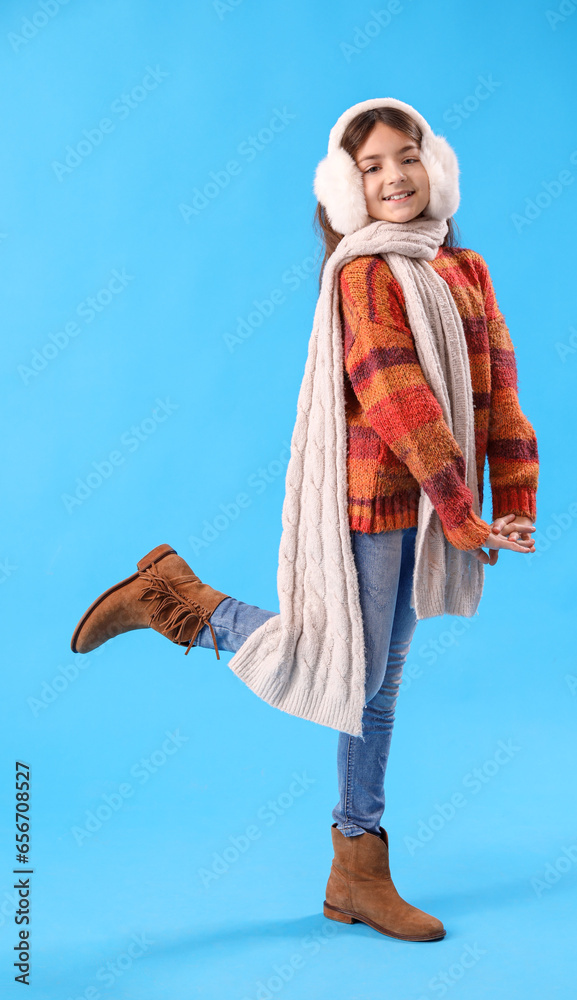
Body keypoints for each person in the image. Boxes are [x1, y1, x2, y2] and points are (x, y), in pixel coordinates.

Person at [69, 98, 539, 944]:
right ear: (347, 187)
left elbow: (497, 388)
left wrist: (513, 499)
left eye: (407, 156)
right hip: (375, 498)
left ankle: (355, 869)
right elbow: (398, 399)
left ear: (436, 165)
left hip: (435, 505)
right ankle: (180, 601)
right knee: (349, 674)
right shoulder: (363, 274)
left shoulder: (462, 269)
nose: (393, 176)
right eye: (371, 166)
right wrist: (461, 512)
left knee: (378, 687)